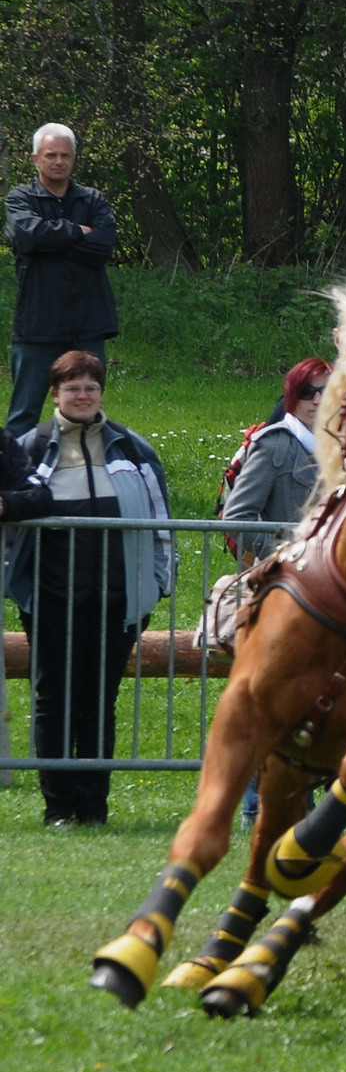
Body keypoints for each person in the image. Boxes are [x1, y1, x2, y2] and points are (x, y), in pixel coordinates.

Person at [7, 352, 171, 826]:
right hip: (50, 599)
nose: (82, 396)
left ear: (101, 393)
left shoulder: (132, 448)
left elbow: (161, 521)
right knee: (52, 699)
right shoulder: (30, 446)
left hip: (115, 603)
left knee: (100, 701)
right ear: (54, 393)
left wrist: (158, 584)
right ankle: (58, 807)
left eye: (91, 388)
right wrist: (16, 586)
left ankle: (93, 807)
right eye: (72, 387)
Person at [4, 124, 118, 436]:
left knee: (86, 409)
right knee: (23, 415)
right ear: (35, 159)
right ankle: (11, 481)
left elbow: (102, 247)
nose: (58, 161)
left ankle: (85, 473)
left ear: (74, 159)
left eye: (65, 155)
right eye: (51, 155)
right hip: (37, 323)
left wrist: (51, 242)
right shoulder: (20, 199)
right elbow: (27, 236)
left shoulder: (92, 200)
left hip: (88, 322)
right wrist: (78, 231)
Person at [222, 358, 330, 564]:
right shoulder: (273, 445)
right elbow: (237, 517)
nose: (317, 400)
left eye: (325, 391)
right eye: (308, 392)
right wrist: (281, 555)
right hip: (289, 577)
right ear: (292, 397)